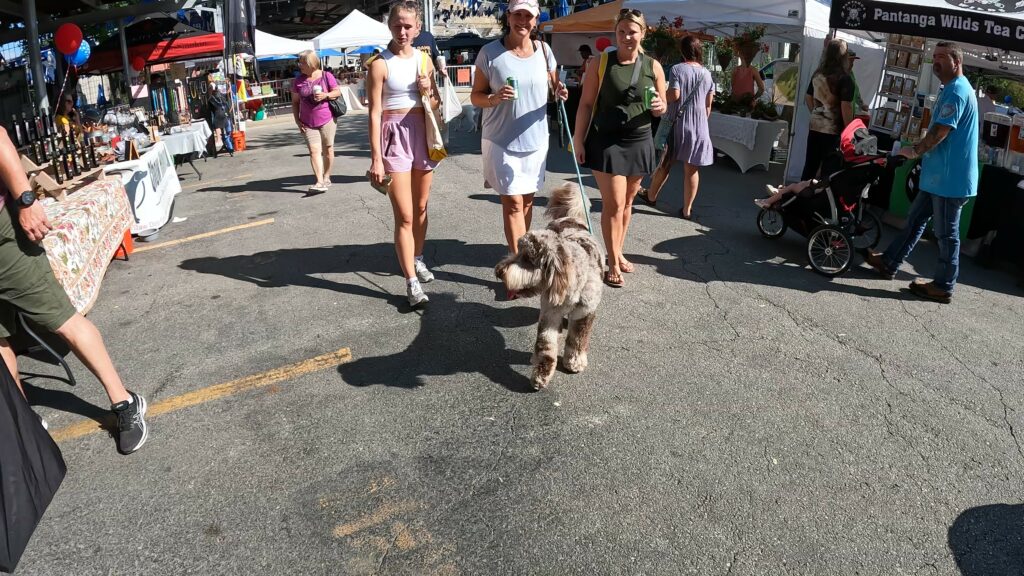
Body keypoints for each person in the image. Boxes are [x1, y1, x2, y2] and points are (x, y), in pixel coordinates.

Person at [0, 128, 148, 454]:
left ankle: (124, 402)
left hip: (3, 235)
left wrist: (26, 198)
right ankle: (25, 421)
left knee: (60, 318)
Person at [865, 42, 978, 304]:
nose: (935, 62)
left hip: (950, 179)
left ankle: (943, 285)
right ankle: (889, 262)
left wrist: (914, 151)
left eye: (941, 58)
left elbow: (940, 132)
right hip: (938, 177)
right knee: (915, 220)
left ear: (956, 61)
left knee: (946, 235)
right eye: (934, 57)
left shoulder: (957, 92)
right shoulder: (951, 88)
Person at [471, 0, 567, 300]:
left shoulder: (544, 52)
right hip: (501, 141)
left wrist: (561, 91)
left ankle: (521, 255)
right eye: (517, 14)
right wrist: (494, 98)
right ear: (508, 17)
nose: (522, 21)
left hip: (536, 141)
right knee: (512, 204)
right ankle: (518, 272)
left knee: (526, 205)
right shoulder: (490, 53)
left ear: (536, 20)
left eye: (528, 16)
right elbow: (475, 96)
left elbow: (554, 87)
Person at [573, 8, 667, 288]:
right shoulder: (601, 63)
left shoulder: (654, 66)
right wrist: (578, 140)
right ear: (615, 33)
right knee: (613, 204)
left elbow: (662, 106)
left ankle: (617, 250)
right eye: (621, 31)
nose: (627, 36)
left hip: (639, 141)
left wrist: (661, 107)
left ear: (643, 33)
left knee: (627, 203)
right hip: (606, 142)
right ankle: (611, 262)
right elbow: (586, 105)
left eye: (632, 31)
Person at [367, 0, 443, 308]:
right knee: (405, 214)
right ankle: (411, 281)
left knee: (422, 207)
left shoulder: (424, 60)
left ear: (418, 29)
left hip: (422, 134)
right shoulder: (379, 64)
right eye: (397, 25)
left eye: (408, 26)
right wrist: (375, 158)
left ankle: (418, 257)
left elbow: (436, 103)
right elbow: (373, 113)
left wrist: (428, 90)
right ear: (390, 25)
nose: (402, 31)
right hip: (393, 134)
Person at [636, 35, 714, 221]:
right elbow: (708, 104)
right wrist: (700, 121)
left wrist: (660, 95)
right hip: (699, 126)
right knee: (692, 170)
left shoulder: (677, 69)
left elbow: (675, 94)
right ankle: (687, 210)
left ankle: (651, 196)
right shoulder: (707, 73)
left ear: (682, 51)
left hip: (677, 123)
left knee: (665, 163)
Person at [801, 38, 855, 181]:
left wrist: (817, 112)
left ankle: (799, 197)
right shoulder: (845, 78)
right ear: (843, 56)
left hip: (815, 126)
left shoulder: (818, 74)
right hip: (833, 130)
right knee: (829, 169)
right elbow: (846, 106)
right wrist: (850, 130)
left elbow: (808, 97)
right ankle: (820, 199)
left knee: (810, 165)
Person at [291, 49, 341, 194]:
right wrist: (297, 121)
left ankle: (326, 176)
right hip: (307, 121)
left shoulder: (327, 75)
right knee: (314, 151)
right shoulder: (298, 81)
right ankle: (319, 181)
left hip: (327, 119)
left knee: (328, 149)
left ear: (311, 63)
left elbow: (337, 92)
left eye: (302, 62)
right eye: (299, 62)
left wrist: (325, 95)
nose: (299, 65)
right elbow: (295, 102)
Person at [206, 83, 234, 158]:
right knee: (227, 132)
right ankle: (230, 147)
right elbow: (228, 105)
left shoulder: (211, 99)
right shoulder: (222, 96)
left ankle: (228, 146)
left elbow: (210, 110)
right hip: (226, 116)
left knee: (223, 131)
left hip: (218, 117)